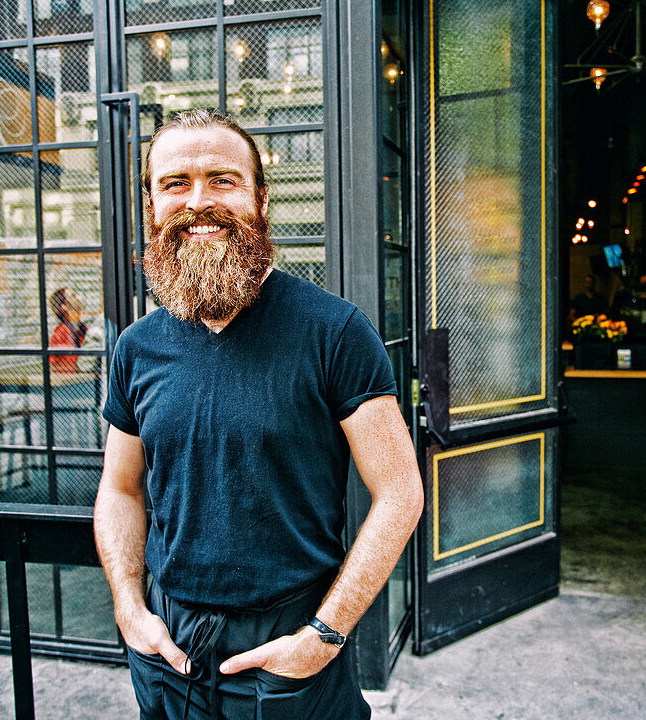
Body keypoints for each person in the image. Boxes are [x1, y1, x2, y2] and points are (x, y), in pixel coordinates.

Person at [93, 109, 424, 720]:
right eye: (175, 183)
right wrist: (129, 609)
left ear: (259, 198)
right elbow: (119, 489)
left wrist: (323, 636)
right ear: (151, 203)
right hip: (169, 648)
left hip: (290, 642)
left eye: (223, 180)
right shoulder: (136, 348)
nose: (199, 201)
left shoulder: (334, 331)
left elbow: (400, 492)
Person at [49, 287, 87, 373]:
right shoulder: (62, 331)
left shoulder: (82, 327)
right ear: (64, 306)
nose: (79, 298)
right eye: (73, 296)